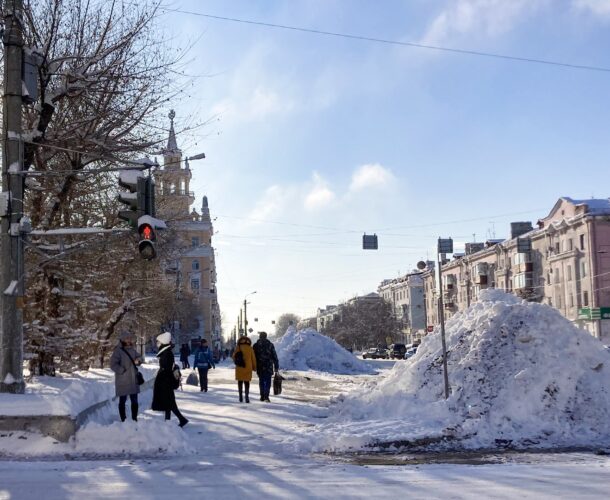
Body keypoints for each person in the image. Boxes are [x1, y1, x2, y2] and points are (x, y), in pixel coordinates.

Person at [152, 332, 188, 427]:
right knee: (168, 401)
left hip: (165, 381)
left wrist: (162, 373)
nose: (157, 343)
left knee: (169, 402)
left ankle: (180, 419)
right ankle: (170, 421)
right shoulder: (166, 352)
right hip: (165, 380)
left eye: (158, 342)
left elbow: (167, 368)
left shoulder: (166, 353)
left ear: (163, 342)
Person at [110, 331, 142, 422]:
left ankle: (134, 419)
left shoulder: (132, 349)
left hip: (133, 379)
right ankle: (123, 420)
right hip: (123, 380)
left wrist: (138, 360)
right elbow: (113, 364)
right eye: (127, 338)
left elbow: (140, 357)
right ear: (123, 339)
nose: (129, 340)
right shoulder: (118, 351)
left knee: (134, 401)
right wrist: (122, 370)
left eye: (130, 338)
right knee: (122, 401)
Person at [253, 331, 279, 402]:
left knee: (261, 381)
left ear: (260, 337)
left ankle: (262, 396)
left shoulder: (256, 345)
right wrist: (276, 367)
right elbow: (275, 356)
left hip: (260, 367)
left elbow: (253, 357)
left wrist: (253, 366)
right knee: (268, 381)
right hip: (269, 367)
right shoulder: (270, 345)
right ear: (266, 336)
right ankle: (266, 396)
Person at [232, 336, 256, 403]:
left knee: (240, 382)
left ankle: (240, 397)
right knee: (247, 382)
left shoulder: (238, 347)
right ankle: (247, 397)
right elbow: (253, 358)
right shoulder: (250, 348)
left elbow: (233, 356)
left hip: (239, 367)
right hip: (248, 367)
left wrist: (236, 362)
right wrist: (254, 367)